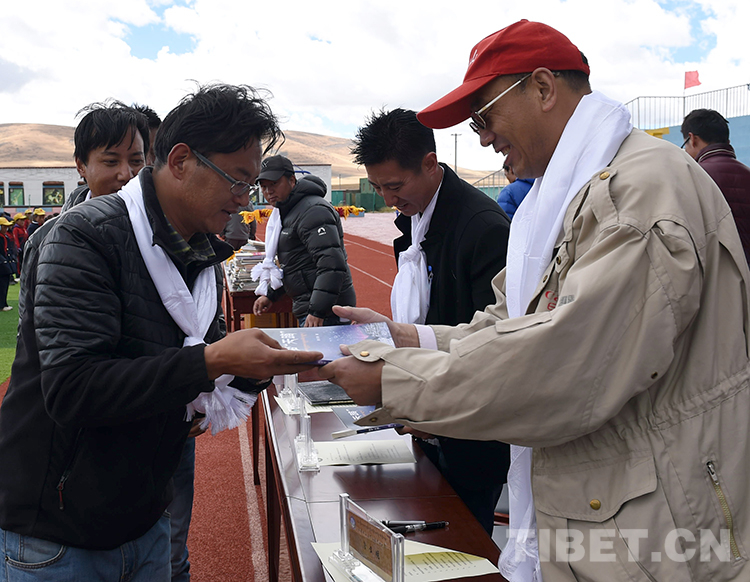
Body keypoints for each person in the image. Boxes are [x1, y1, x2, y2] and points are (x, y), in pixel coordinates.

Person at [320, 20, 750, 582]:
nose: (482, 139)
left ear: (543, 88)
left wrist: (394, 382)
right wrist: (407, 338)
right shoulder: (566, 192)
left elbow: (565, 363)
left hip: (657, 519)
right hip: (613, 496)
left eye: (484, 117)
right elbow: (515, 321)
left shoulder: (637, 193)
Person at [0, 83, 322, 581]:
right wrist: (214, 361)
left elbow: (192, 362)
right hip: (58, 533)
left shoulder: (200, 250)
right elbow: (72, 390)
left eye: (251, 185)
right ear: (180, 161)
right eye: (237, 181)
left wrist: (259, 367)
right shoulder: (81, 236)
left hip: (147, 514)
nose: (244, 200)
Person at [350, 107, 511, 534]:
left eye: (394, 186)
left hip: (469, 435)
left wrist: (422, 392)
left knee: (461, 542)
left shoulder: (483, 228)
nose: (388, 199)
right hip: (422, 419)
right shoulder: (415, 218)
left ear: (429, 163)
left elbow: (494, 345)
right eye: (377, 187)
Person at [253, 155, 356, 327]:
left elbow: (331, 264)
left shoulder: (313, 211)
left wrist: (318, 310)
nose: (268, 191)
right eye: (264, 186)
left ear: (292, 180)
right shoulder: (286, 212)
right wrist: (271, 294)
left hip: (328, 312)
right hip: (313, 306)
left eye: (274, 183)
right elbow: (296, 266)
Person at [681, 108, 750, 263]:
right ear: (727, 142)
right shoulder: (747, 173)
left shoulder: (693, 177)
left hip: (717, 271)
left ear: (692, 139)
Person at [0, 218, 14, 310]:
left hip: (4, 263)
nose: (6, 229)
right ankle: (2, 305)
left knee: (4, 284)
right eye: (4, 227)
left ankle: (3, 303)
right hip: (1, 264)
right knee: (2, 285)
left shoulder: (5, 237)